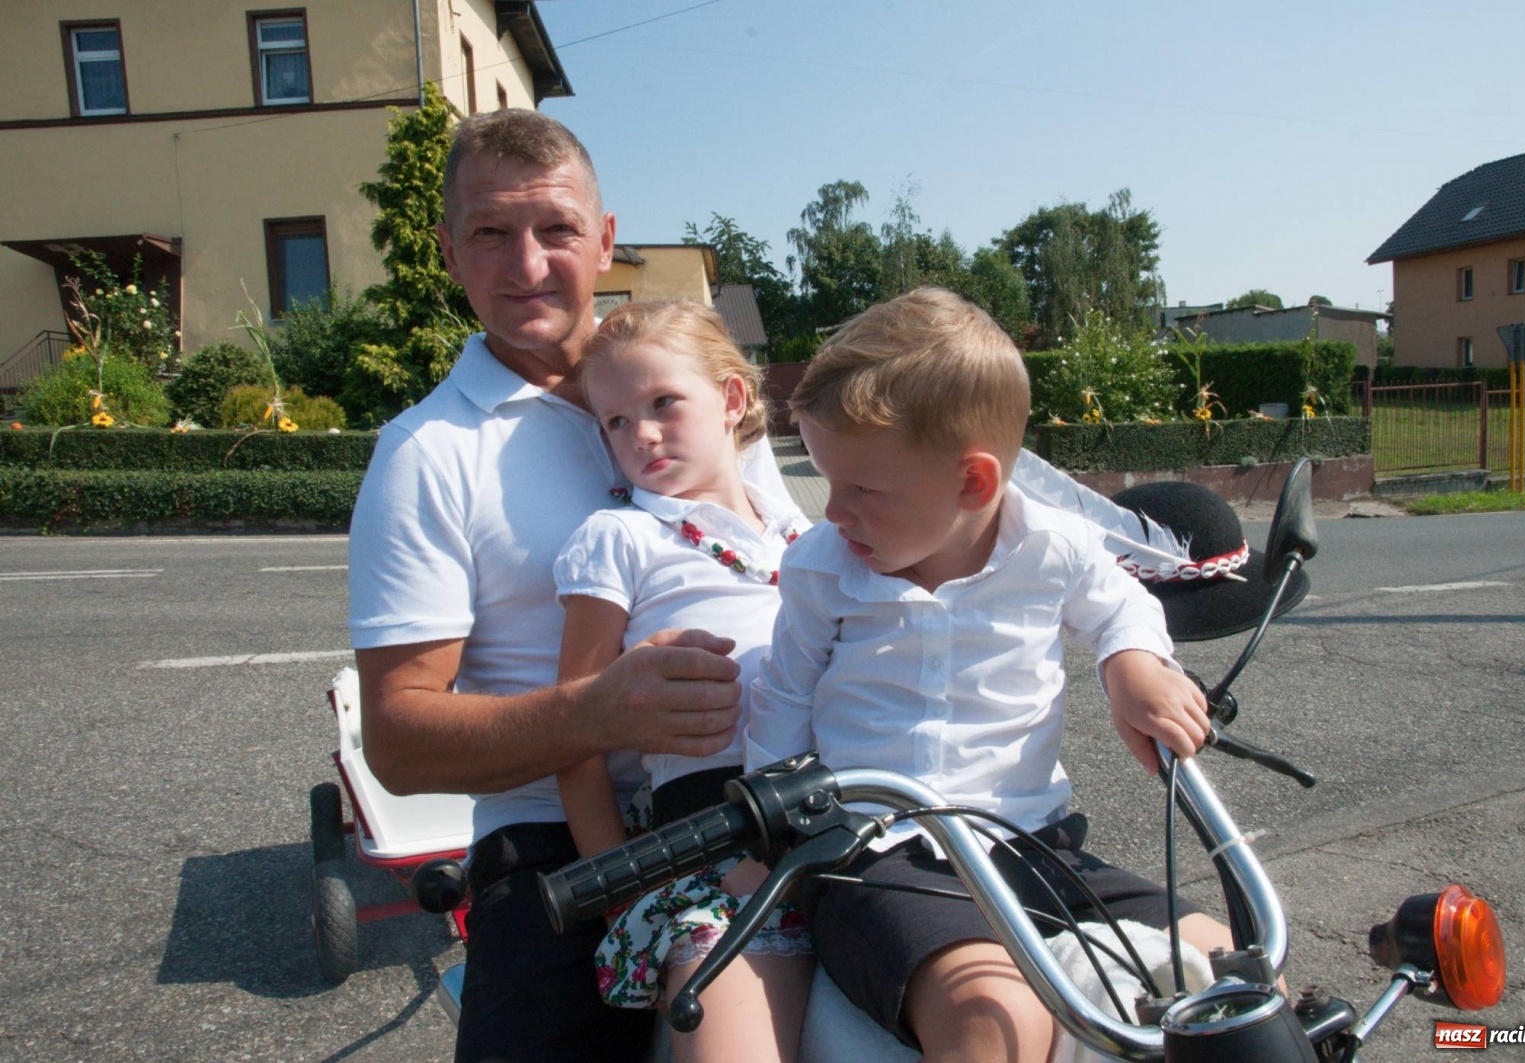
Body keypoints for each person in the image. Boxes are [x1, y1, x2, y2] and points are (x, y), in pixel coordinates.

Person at [346, 110, 790, 1063]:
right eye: (490, 234)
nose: (528, 264)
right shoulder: (427, 453)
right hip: (551, 839)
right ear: (450, 253)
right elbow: (396, 739)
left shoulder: (693, 392)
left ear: (605, 238)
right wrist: (598, 712)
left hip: (768, 793)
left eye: (555, 229)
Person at [744, 287, 1234, 1063]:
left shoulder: (1056, 545)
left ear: (972, 483)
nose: (831, 511)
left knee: (1226, 954)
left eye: (861, 489)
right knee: (990, 1010)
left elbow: (1122, 608)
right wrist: (764, 835)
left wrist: (1133, 666)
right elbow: (784, 695)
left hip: (1030, 838)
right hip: (878, 855)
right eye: (828, 482)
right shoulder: (823, 568)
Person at [552, 300, 814, 1063]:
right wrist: (619, 893)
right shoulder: (618, 537)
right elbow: (577, 733)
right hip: (715, 837)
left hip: (855, 813)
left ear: (732, 400)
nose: (641, 435)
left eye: (664, 402)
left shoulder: (804, 535)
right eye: (615, 421)